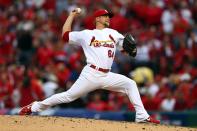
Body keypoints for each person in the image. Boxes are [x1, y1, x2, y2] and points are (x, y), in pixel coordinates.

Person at [19, 8, 160, 124]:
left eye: (108, 16)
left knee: (130, 84)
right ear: (97, 19)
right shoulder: (87, 34)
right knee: (68, 96)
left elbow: (125, 47)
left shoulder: (113, 33)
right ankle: (34, 106)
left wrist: (130, 50)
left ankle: (141, 115)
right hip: (91, 74)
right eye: (105, 16)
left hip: (107, 75)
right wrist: (71, 15)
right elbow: (65, 36)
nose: (108, 18)